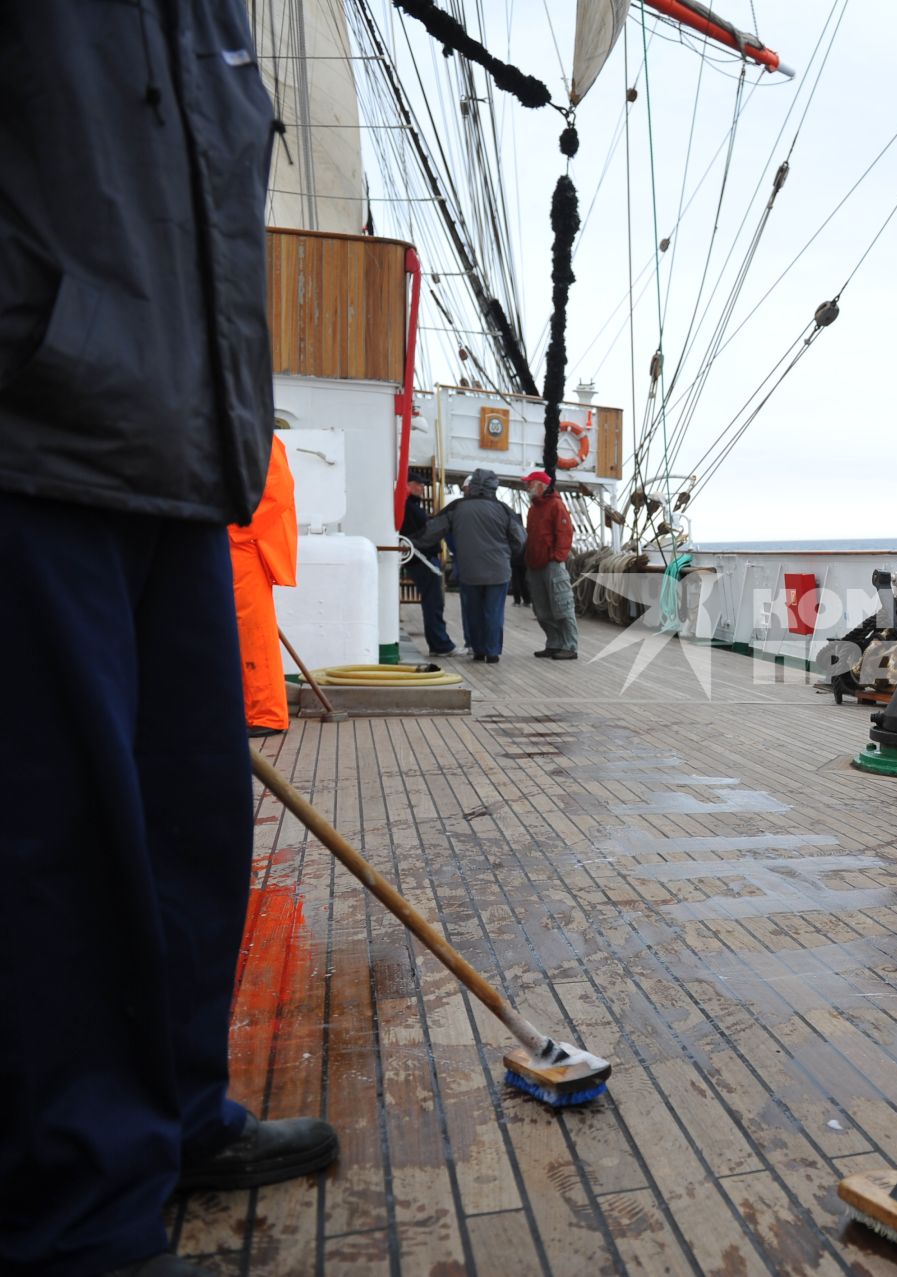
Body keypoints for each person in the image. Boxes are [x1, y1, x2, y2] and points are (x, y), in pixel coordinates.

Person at [0, 6, 339, 1274]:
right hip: (34, 433)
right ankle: (81, 1208)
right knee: (61, 846)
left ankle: (177, 1115)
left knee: (192, 824)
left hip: (186, 458)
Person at [416, 467, 522, 663]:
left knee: (472, 611)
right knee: (494, 611)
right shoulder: (504, 509)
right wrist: (507, 555)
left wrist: (410, 543)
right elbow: (520, 539)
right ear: (494, 487)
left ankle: (478, 650)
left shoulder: (457, 507)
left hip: (469, 570)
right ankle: (492, 652)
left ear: (472, 486)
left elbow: (431, 532)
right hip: (498, 571)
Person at [230, 433, 298, 735]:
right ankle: (248, 710)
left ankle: (266, 714)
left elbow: (278, 491)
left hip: (243, 545)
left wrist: (233, 531)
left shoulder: (258, 437)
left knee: (251, 629)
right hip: (232, 543)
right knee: (235, 631)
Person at [523, 469, 579, 660]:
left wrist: (557, 557)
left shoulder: (556, 505)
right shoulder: (533, 509)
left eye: (530, 483)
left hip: (552, 564)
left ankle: (569, 645)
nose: (527, 487)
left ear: (540, 485)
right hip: (536, 564)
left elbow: (565, 533)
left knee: (562, 605)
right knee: (542, 608)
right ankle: (554, 643)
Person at [400, 471, 455, 656]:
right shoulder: (410, 508)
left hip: (419, 560)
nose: (422, 487)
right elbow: (424, 535)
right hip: (423, 561)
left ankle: (439, 643)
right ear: (407, 485)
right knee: (433, 603)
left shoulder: (409, 506)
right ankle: (440, 645)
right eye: (418, 484)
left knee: (432, 602)